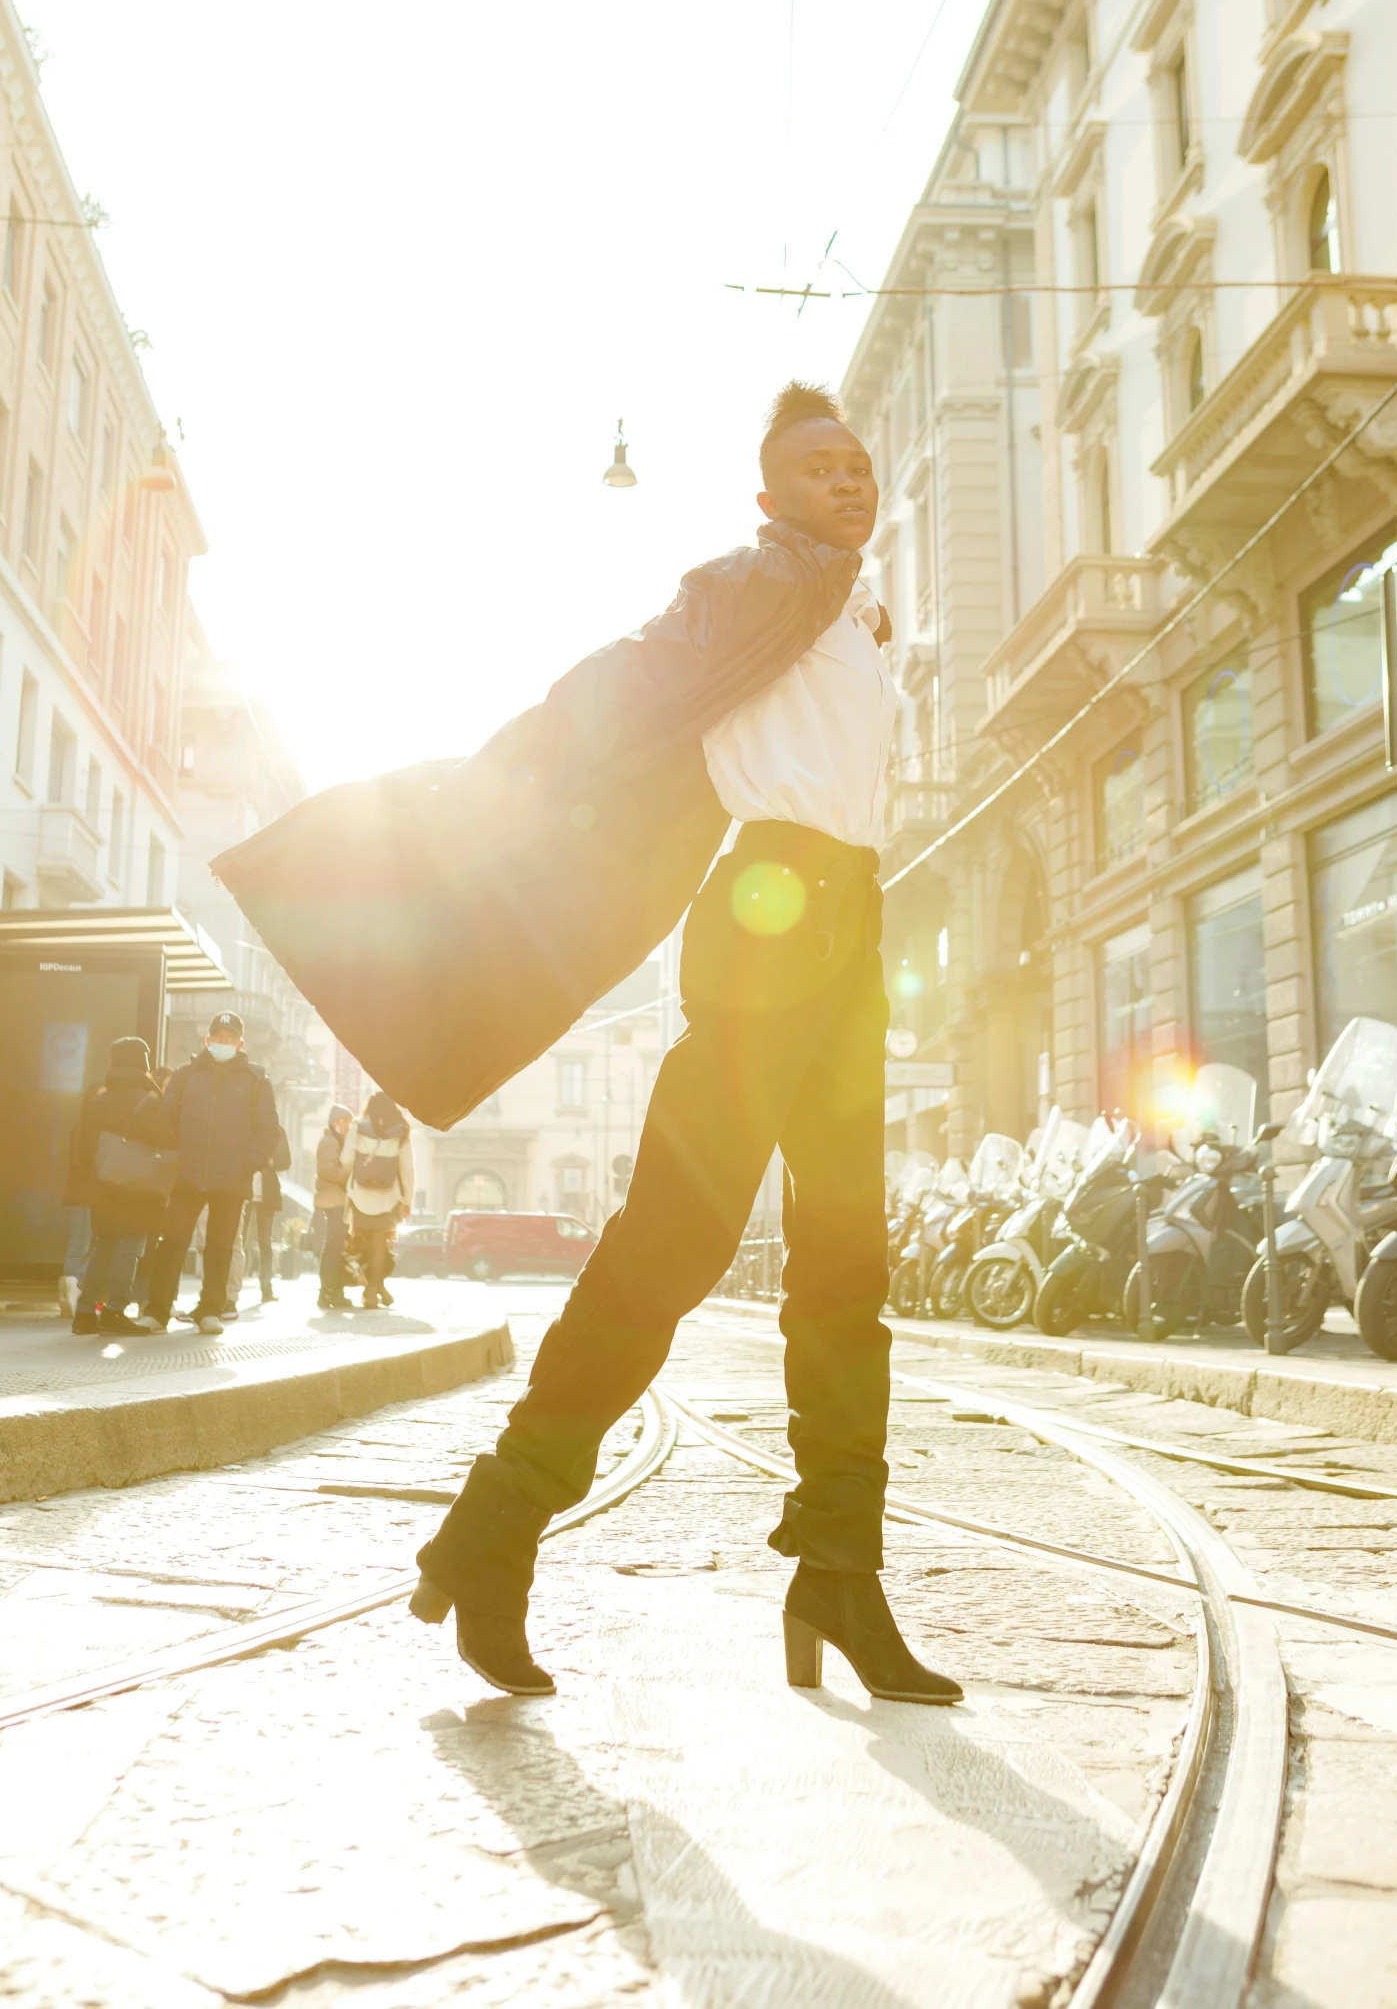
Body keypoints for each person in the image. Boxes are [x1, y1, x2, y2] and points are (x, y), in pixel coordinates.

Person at [217, 381, 962, 1710]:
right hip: (771, 911)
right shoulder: (753, 580)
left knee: (848, 1266)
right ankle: (495, 1523)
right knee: (673, 1241)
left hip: (851, 925)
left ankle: (839, 1566)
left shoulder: (845, 608)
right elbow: (630, 673)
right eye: (817, 466)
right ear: (769, 493)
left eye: (856, 463)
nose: (848, 479)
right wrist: (506, 769)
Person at [132, 1012, 280, 1335]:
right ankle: (157, 1311)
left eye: (230, 1037)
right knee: (172, 1242)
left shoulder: (256, 1081)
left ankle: (210, 1309)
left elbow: (269, 1130)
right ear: (208, 1039)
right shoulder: (186, 1075)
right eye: (219, 1036)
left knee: (220, 1246)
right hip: (187, 1175)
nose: (224, 1042)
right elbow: (167, 1118)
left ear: (240, 1043)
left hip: (232, 1177)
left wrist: (248, 1161)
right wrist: (176, 1155)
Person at [70, 1039, 160, 1337]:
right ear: (142, 1065)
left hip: (103, 1186)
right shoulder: (148, 1101)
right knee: (128, 1249)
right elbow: (165, 1141)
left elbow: (82, 1148)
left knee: (103, 1246)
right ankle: (115, 1310)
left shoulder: (97, 1102)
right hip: (137, 1188)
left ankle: (84, 1312)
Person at [341, 1092, 413, 1309]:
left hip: (360, 1195)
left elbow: (345, 1159)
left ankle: (373, 1290)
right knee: (380, 1245)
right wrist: (407, 1199)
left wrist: (357, 1170)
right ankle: (375, 1290)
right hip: (388, 1197)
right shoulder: (401, 1131)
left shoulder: (358, 1127)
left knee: (365, 1241)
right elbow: (407, 1169)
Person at [227, 1125, 292, 1311]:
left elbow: (286, 1161)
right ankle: (231, 1289)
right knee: (237, 1241)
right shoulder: (243, 1124)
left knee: (265, 1242)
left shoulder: (277, 1130)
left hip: (266, 1194)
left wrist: (271, 1162)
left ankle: (266, 1287)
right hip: (243, 1190)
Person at [313, 1105, 354, 1311]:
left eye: (349, 1120)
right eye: (344, 1120)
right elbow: (326, 1169)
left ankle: (332, 1291)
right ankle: (329, 1290)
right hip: (333, 1200)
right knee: (332, 1246)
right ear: (334, 1122)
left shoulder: (339, 1142)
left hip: (338, 1200)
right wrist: (350, 1176)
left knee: (336, 1247)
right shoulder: (330, 1142)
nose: (347, 1124)